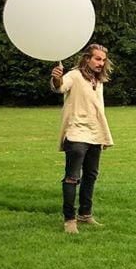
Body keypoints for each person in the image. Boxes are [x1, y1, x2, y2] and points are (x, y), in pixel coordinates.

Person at [50, 44, 114, 235]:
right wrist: (56, 77)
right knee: (72, 177)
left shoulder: (98, 80)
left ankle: (85, 214)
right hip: (76, 133)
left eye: (103, 60)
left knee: (91, 175)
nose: (101, 63)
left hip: (95, 134)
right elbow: (60, 87)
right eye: (97, 59)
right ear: (87, 58)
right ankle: (69, 219)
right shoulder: (74, 75)